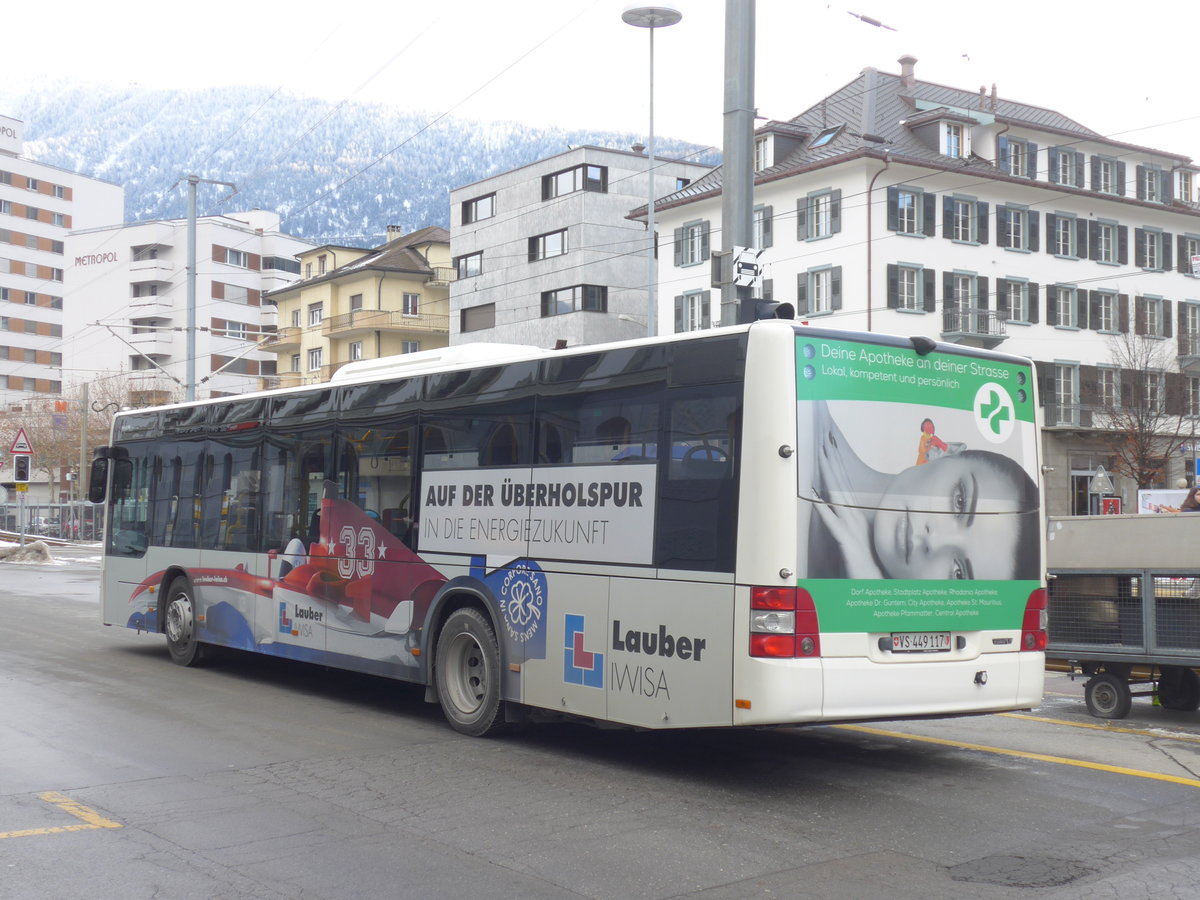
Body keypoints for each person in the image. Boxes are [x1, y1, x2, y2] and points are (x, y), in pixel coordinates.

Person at [807, 401, 1040, 581]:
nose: (934, 541)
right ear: (944, 451)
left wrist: (869, 596)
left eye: (958, 573)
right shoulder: (804, 418)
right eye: (959, 502)